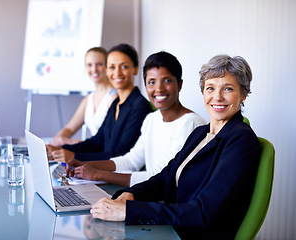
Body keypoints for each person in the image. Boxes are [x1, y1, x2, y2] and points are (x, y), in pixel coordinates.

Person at [90, 54, 261, 240]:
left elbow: (203, 211)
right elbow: (164, 179)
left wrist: (129, 211)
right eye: (210, 88)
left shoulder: (241, 140)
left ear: (243, 94)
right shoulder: (201, 133)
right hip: (173, 227)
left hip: (193, 234)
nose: (217, 97)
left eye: (228, 89)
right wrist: (131, 194)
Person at [68, 51, 206, 187]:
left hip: (174, 204)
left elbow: (161, 176)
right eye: (152, 82)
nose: (159, 88)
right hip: (153, 197)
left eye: (167, 81)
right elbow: (131, 161)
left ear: (180, 84)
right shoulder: (151, 119)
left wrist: (97, 174)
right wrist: (82, 164)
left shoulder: (191, 124)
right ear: (145, 86)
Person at [47, 44, 153, 167]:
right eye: (112, 67)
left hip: (119, 176)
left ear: (135, 69)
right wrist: (61, 150)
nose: (117, 72)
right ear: (107, 70)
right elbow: (97, 142)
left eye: (124, 66)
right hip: (102, 171)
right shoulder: (116, 103)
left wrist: (75, 157)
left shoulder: (140, 106)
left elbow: (122, 153)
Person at [49, 47, 117, 147]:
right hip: (92, 149)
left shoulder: (114, 97)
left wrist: (74, 143)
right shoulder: (88, 99)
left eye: (99, 64)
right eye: (89, 65)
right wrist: (55, 142)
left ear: (107, 66)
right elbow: (69, 129)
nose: (94, 69)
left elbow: (112, 139)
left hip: (105, 154)